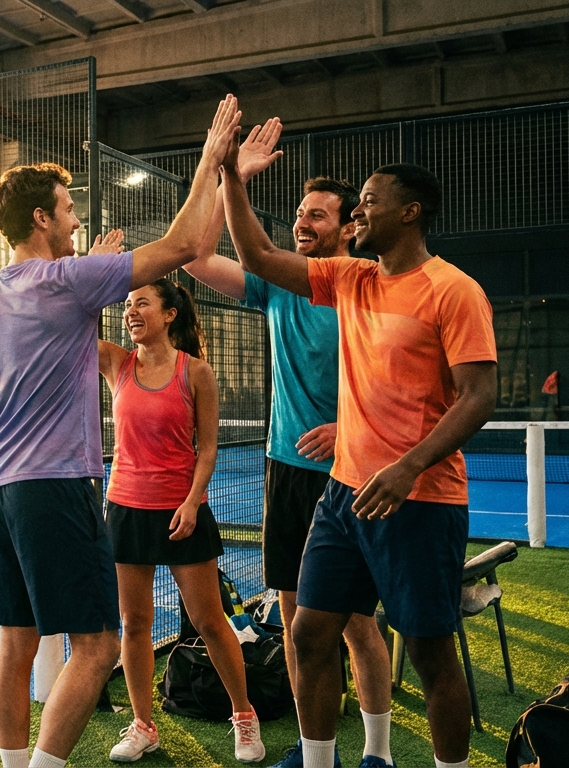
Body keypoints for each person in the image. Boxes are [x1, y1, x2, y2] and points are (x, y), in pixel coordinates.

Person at [0, 95, 242, 768]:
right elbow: (189, 244)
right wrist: (209, 162)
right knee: (99, 646)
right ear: (42, 217)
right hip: (56, 490)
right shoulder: (68, 282)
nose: (79, 221)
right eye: (70, 209)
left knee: (16, 644)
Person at [223, 142, 498, 768]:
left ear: (411, 212)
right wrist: (229, 178)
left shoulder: (453, 291)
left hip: (421, 501)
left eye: (370, 203)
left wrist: (408, 466)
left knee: (429, 654)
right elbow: (258, 256)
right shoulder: (351, 278)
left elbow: (480, 395)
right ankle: (320, 762)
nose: (358, 215)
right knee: (310, 632)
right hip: (343, 496)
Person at [183, 119, 395, 767]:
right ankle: (313, 750)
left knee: (357, 622)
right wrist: (230, 177)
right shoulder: (278, 283)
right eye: (300, 214)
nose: (304, 224)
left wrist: (352, 425)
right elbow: (195, 257)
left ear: (349, 225)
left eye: (319, 217)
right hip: (286, 472)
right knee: (300, 623)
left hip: (351, 472)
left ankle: (379, 753)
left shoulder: (367, 287)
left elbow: (402, 385)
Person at [98, 279, 265, 764]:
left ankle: (244, 717)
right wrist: (95, 268)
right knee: (135, 624)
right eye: (127, 305)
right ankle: (143, 726)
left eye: (141, 303)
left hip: (182, 511)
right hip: (126, 509)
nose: (131, 311)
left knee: (210, 621)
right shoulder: (117, 363)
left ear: (169, 314)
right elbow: (74, 315)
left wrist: (193, 502)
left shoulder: (197, 372)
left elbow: (207, 448)